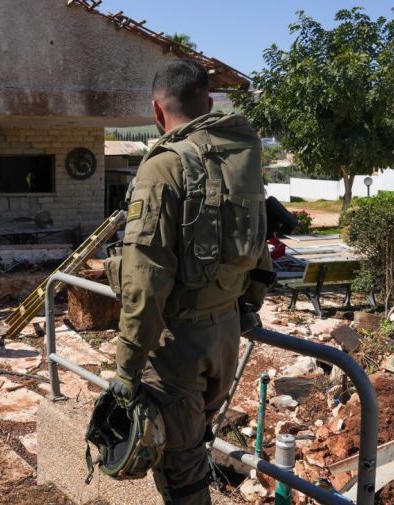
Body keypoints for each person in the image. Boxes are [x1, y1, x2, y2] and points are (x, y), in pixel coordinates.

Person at [109, 59, 270, 504]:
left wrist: (126, 366)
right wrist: (246, 305)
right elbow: (259, 242)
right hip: (224, 332)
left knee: (181, 469)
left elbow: (144, 279)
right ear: (210, 103)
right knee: (194, 439)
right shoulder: (241, 153)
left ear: (157, 112)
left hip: (177, 341)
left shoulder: (162, 166)